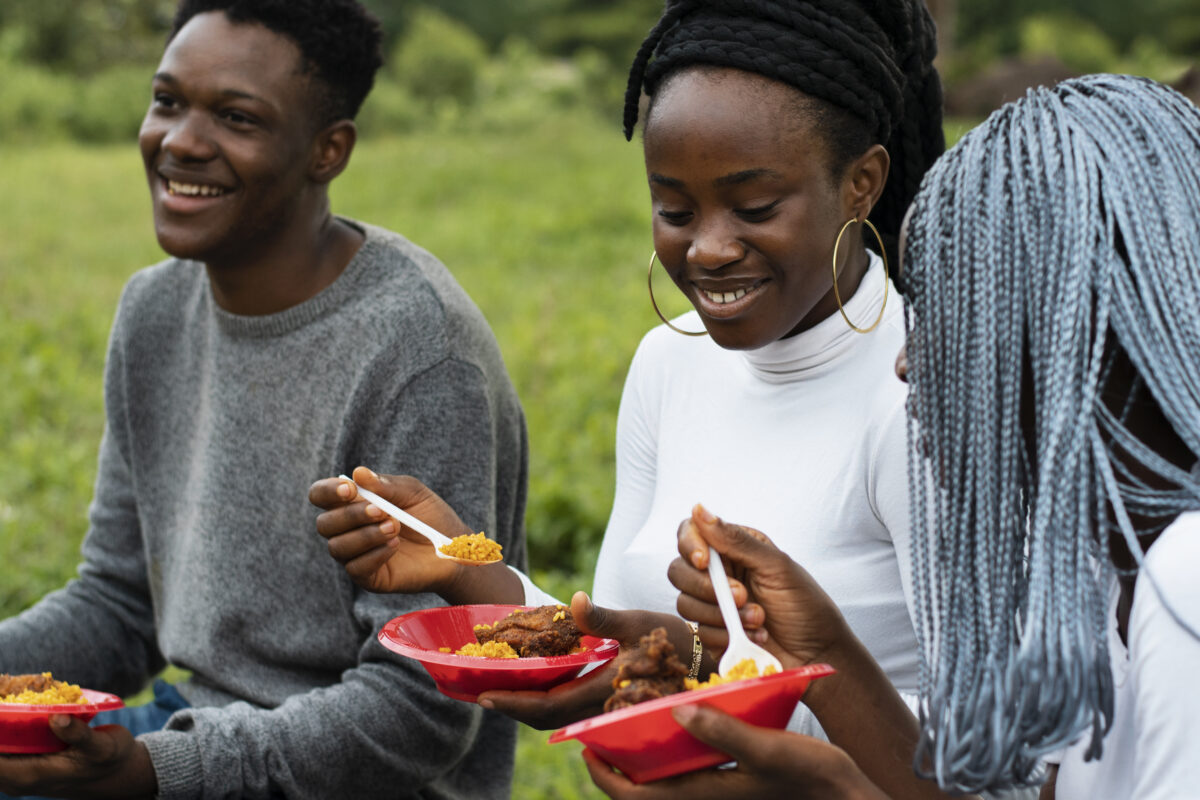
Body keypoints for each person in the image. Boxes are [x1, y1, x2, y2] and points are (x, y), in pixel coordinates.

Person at [310, 0, 947, 744]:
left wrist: (713, 686)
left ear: (862, 182)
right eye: (675, 210)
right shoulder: (668, 364)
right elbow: (612, 635)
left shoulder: (924, 390)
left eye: (755, 206)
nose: (708, 248)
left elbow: (1006, 753)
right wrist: (459, 561)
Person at [598, 73, 1200, 799]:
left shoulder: (1185, 584)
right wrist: (820, 653)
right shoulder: (1103, 582)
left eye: (955, 318)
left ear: (1081, 336)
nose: (908, 364)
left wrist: (839, 791)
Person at [0, 1, 528, 798]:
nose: (180, 141)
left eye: (236, 117)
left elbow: (421, 711)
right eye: (168, 101)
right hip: (197, 731)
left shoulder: (417, 352)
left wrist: (157, 773)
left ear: (328, 150)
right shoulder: (152, 312)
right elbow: (121, 602)